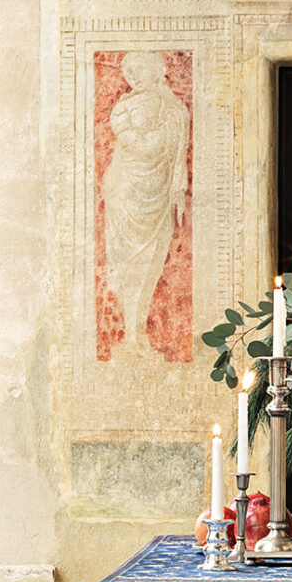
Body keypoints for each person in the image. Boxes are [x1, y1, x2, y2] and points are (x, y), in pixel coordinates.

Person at [101, 53, 188, 359]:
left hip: (159, 195)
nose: (135, 77)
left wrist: (178, 189)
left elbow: (177, 155)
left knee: (151, 263)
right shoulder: (123, 108)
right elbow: (140, 146)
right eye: (131, 72)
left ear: (156, 71)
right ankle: (130, 336)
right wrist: (158, 136)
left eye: (142, 70)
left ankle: (138, 335)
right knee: (128, 265)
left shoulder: (175, 109)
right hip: (126, 194)